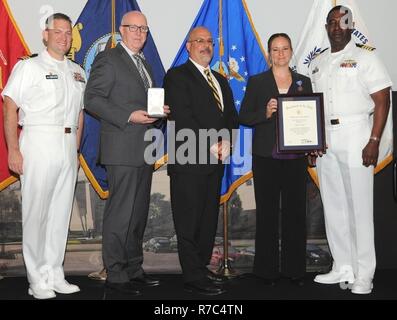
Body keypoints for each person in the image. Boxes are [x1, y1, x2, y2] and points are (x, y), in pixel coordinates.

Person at [84, 11, 169, 295]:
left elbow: (143, 103)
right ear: (122, 30)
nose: (139, 33)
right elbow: (92, 99)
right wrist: (129, 115)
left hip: (144, 149)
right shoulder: (108, 59)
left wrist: (158, 113)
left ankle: (134, 268)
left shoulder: (144, 63)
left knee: (138, 214)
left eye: (144, 29)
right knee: (121, 214)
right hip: (121, 148)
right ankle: (116, 273)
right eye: (133, 28)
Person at [309, 6, 392, 294]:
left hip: (357, 133)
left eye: (342, 22)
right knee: (333, 207)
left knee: (359, 207)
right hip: (326, 139)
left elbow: (382, 100)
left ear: (350, 25)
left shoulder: (365, 57)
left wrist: (373, 141)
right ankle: (342, 265)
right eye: (331, 22)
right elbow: (314, 107)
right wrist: (312, 140)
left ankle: (364, 274)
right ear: (326, 25)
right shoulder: (317, 63)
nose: (336, 27)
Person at [2, 13, 84, 299]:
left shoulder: (77, 70)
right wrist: (13, 149)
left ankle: (54, 273)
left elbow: (80, 112)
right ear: (45, 35)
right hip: (38, 140)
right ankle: (36, 279)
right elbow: (9, 107)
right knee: (36, 214)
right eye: (58, 31)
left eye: (68, 32)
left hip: (66, 144)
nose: (64, 37)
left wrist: (75, 145)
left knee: (60, 215)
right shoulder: (29, 67)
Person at [163, 26, 238, 296]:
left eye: (209, 41)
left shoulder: (220, 79)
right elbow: (182, 117)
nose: (205, 45)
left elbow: (231, 117)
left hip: (216, 161)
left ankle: (201, 267)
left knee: (208, 220)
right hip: (189, 160)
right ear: (188, 46)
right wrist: (212, 143)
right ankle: (192, 276)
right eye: (199, 41)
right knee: (188, 220)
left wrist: (228, 141)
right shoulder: (176, 76)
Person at [239, 33, 312, 286]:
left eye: (284, 49)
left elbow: (311, 120)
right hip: (266, 157)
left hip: (295, 157)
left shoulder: (304, 82)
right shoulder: (258, 82)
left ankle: (295, 271)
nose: (280, 54)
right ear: (269, 53)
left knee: (295, 214)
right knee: (267, 215)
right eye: (275, 49)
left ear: (291, 51)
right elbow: (244, 116)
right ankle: (266, 272)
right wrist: (265, 112)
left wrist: (313, 143)